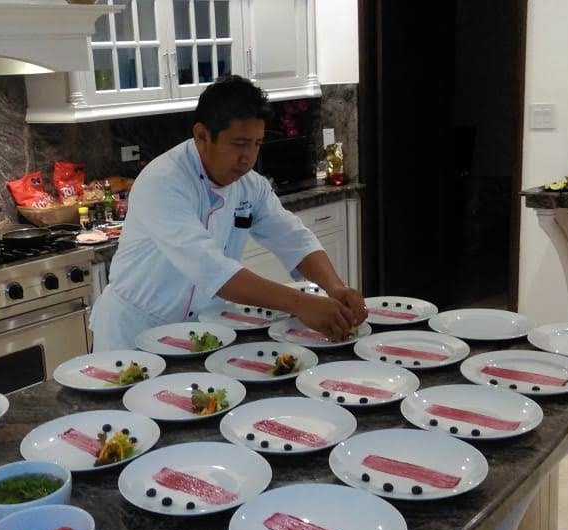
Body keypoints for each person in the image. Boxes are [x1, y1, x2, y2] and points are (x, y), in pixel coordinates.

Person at [89, 75, 366, 351]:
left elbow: (293, 237)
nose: (248, 158)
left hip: (201, 330)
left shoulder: (250, 185)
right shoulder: (163, 182)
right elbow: (211, 269)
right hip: (134, 331)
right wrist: (301, 304)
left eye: (257, 144)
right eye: (239, 144)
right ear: (201, 136)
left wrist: (335, 287)